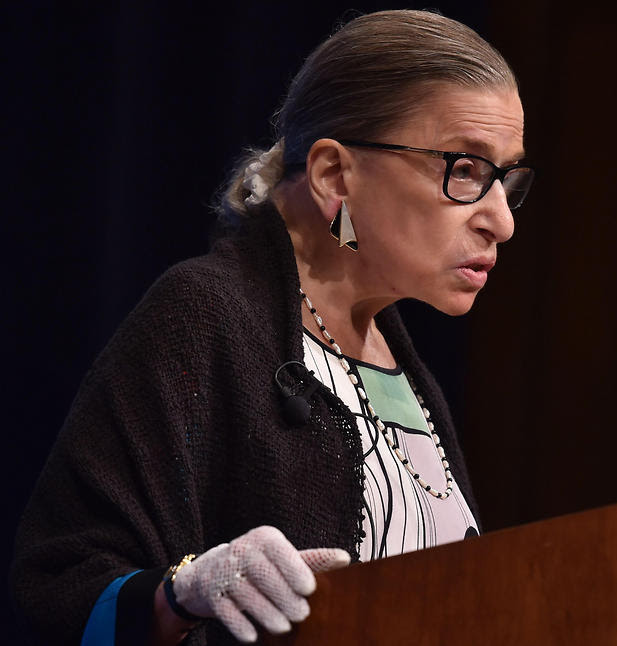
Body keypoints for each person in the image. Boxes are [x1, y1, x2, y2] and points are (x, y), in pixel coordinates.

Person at [10, 9, 533, 646]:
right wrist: (181, 593)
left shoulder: (400, 358)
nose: (501, 222)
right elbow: (59, 586)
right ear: (334, 174)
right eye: (466, 170)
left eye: (506, 178)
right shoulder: (206, 315)